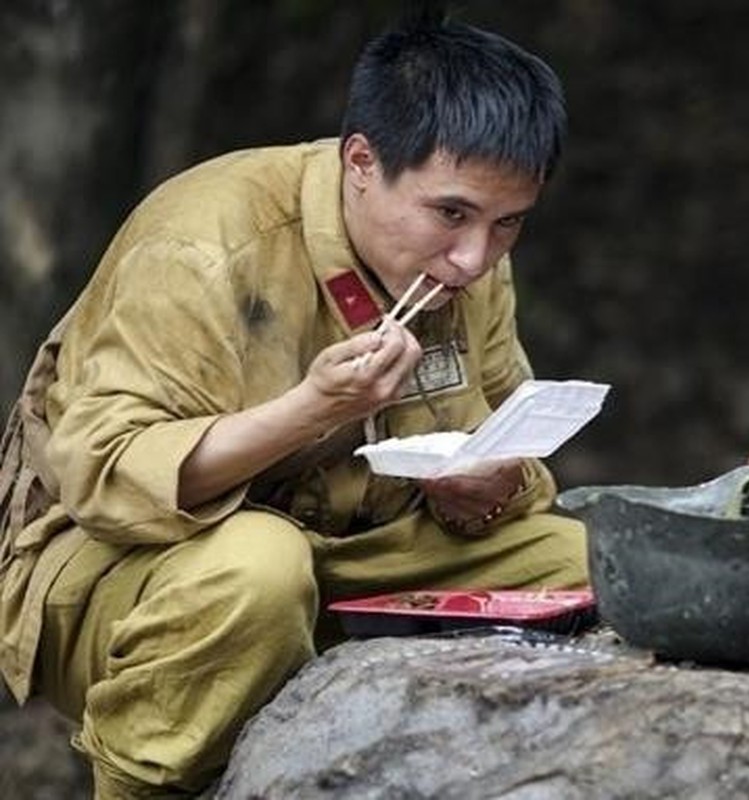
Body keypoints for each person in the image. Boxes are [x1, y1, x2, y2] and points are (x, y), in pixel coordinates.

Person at [0, 18, 587, 797]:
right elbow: (105, 481)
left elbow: (510, 434)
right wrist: (313, 408)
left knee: (584, 565)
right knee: (258, 572)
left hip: (354, 551)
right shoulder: (203, 245)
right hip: (132, 573)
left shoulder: (462, 268)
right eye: (451, 213)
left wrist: (490, 488)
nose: (476, 256)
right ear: (361, 163)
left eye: (507, 222)